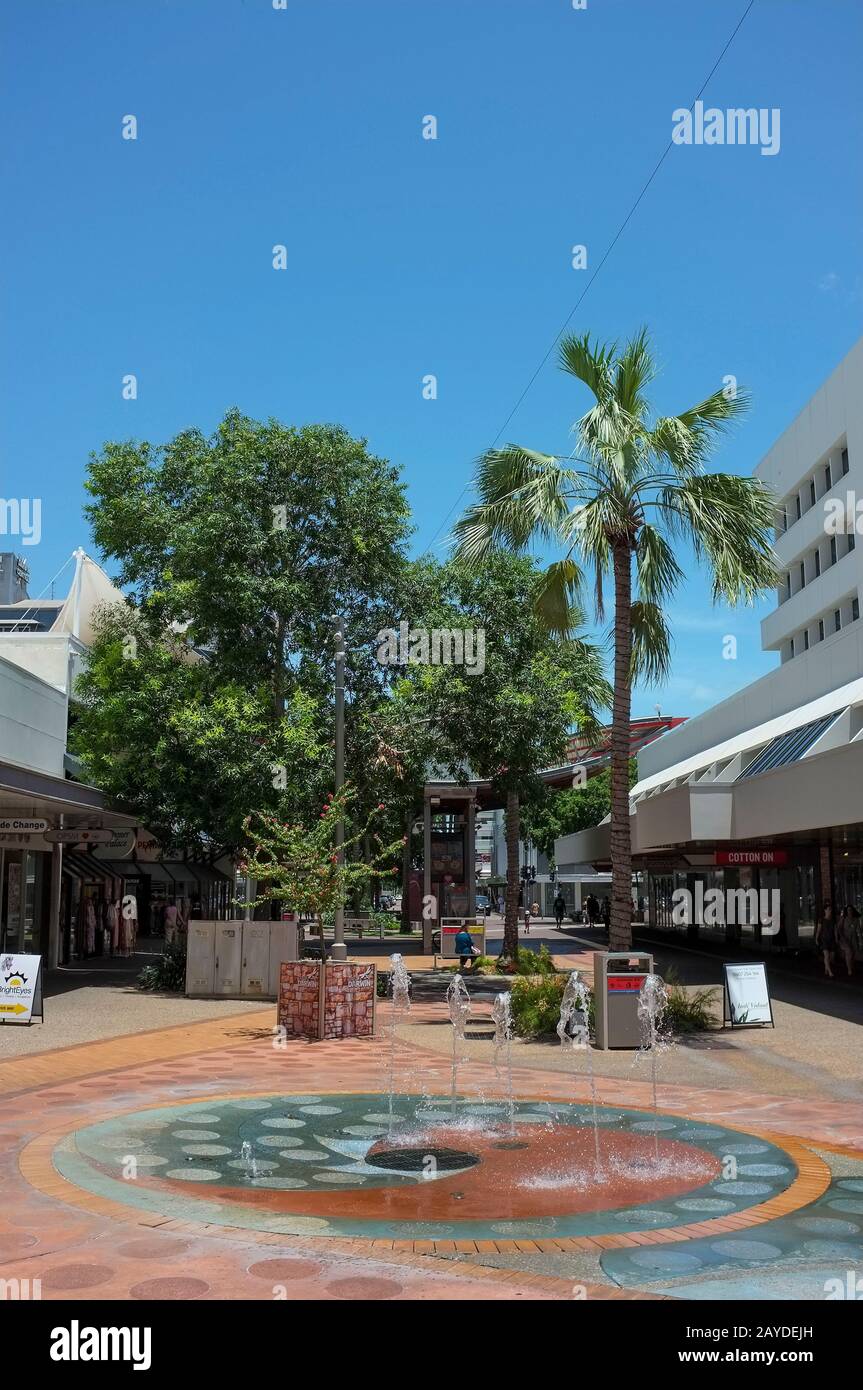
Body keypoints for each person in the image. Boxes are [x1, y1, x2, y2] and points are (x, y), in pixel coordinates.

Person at [815, 900, 836, 978]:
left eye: (830, 909)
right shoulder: (821, 920)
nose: (830, 910)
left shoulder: (832, 920)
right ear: (825, 910)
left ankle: (826, 968)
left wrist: (836, 938)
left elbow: (835, 930)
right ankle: (830, 971)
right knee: (826, 956)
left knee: (832, 957)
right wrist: (816, 939)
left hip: (831, 939)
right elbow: (818, 930)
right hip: (824, 939)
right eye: (828, 909)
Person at [837, 905, 859, 978]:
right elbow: (839, 928)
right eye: (848, 910)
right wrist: (841, 937)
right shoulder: (843, 918)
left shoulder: (856, 919)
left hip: (854, 939)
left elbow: (859, 930)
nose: (850, 911)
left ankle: (851, 966)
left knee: (853, 954)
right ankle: (849, 969)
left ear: (853, 911)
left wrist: (861, 940)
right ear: (846, 911)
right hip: (845, 938)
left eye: (851, 910)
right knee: (849, 952)